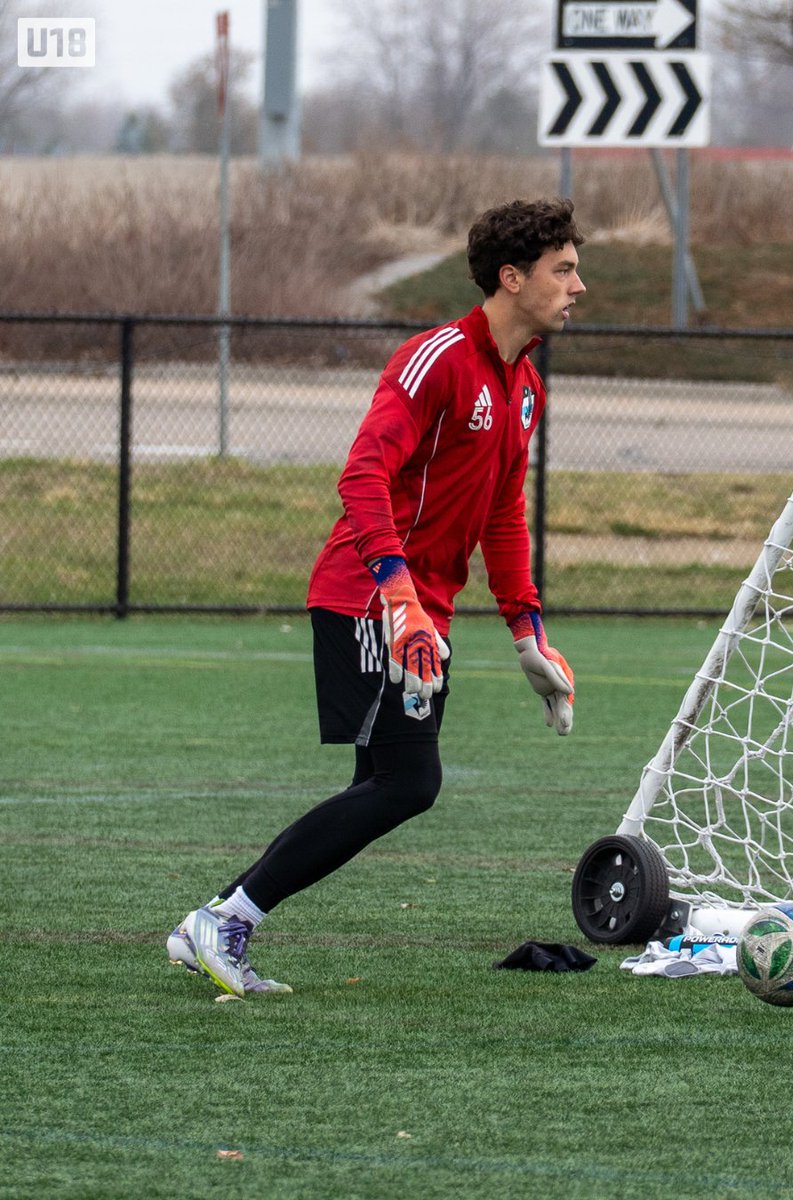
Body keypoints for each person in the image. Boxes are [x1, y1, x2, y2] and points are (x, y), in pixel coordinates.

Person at [167, 197, 587, 997]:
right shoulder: (437, 358)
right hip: (370, 597)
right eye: (562, 269)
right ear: (511, 277)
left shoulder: (524, 386)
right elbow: (362, 476)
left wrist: (527, 634)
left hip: (421, 612)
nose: (579, 284)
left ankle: (221, 918)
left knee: (386, 785)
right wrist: (398, 598)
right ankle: (225, 919)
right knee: (407, 782)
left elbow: (502, 513)